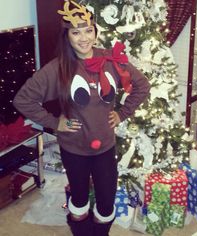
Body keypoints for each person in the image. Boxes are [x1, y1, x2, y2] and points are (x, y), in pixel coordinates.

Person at [13, 1, 150, 236]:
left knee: (106, 201)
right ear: (67, 36)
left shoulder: (111, 61)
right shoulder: (58, 68)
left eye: (88, 30)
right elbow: (22, 100)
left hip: (105, 146)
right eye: (75, 32)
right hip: (74, 148)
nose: (83, 38)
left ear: (96, 32)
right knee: (78, 198)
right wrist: (55, 122)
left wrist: (123, 113)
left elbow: (142, 86)